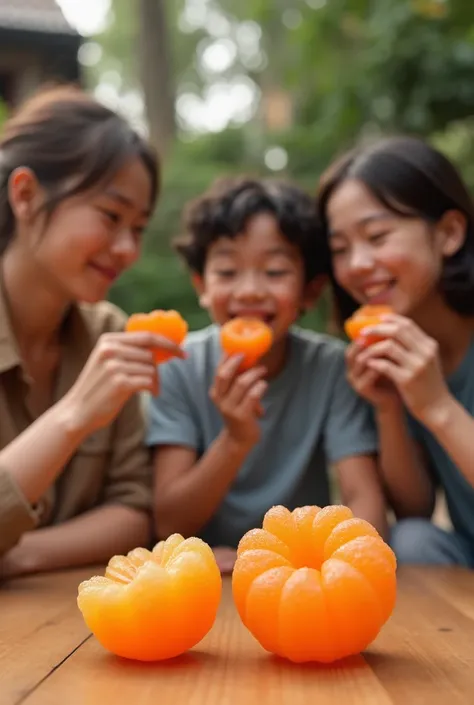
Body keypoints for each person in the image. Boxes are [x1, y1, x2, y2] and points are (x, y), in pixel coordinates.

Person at [146, 176, 388, 573]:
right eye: (227, 271)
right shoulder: (177, 365)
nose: (250, 290)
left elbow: (365, 500)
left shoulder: (331, 368)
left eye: (275, 271)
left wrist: (335, 563)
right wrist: (235, 440)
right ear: (201, 286)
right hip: (207, 574)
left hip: (302, 573)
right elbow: (169, 521)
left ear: (310, 292)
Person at [0, 84, 185, 578]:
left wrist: (18, 555)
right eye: (110, 216)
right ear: (25, 195)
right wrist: (74, 415)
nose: (127, 249)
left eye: (139, 228)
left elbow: (132, 512)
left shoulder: (110, 335)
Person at [317, 135, 474, 567]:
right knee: (411, 540)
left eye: (377, 235)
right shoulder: (395, 350)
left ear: (449, 233)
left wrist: (438, 406)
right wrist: (389, 409)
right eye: (340, 249)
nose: (357, 265)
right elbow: (413, 508)